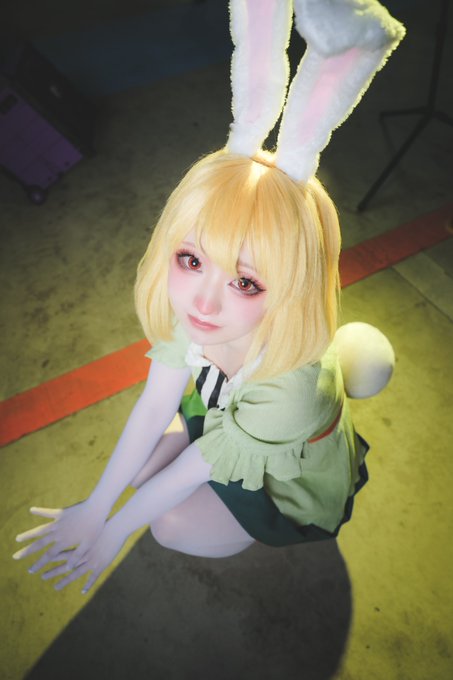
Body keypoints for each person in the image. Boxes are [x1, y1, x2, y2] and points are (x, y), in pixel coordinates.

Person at [13, 0, 404, 594]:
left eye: (246, 282)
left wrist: (109, 531)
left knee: (169, 522)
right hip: (225, 421)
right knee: (144, 470)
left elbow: (201, 466)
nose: (204, 302)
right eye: (191, 259)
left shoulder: (290, 389)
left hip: (283, 471)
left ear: (290, 284)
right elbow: (154, 404)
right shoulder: (199, 310)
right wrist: (94, 505)